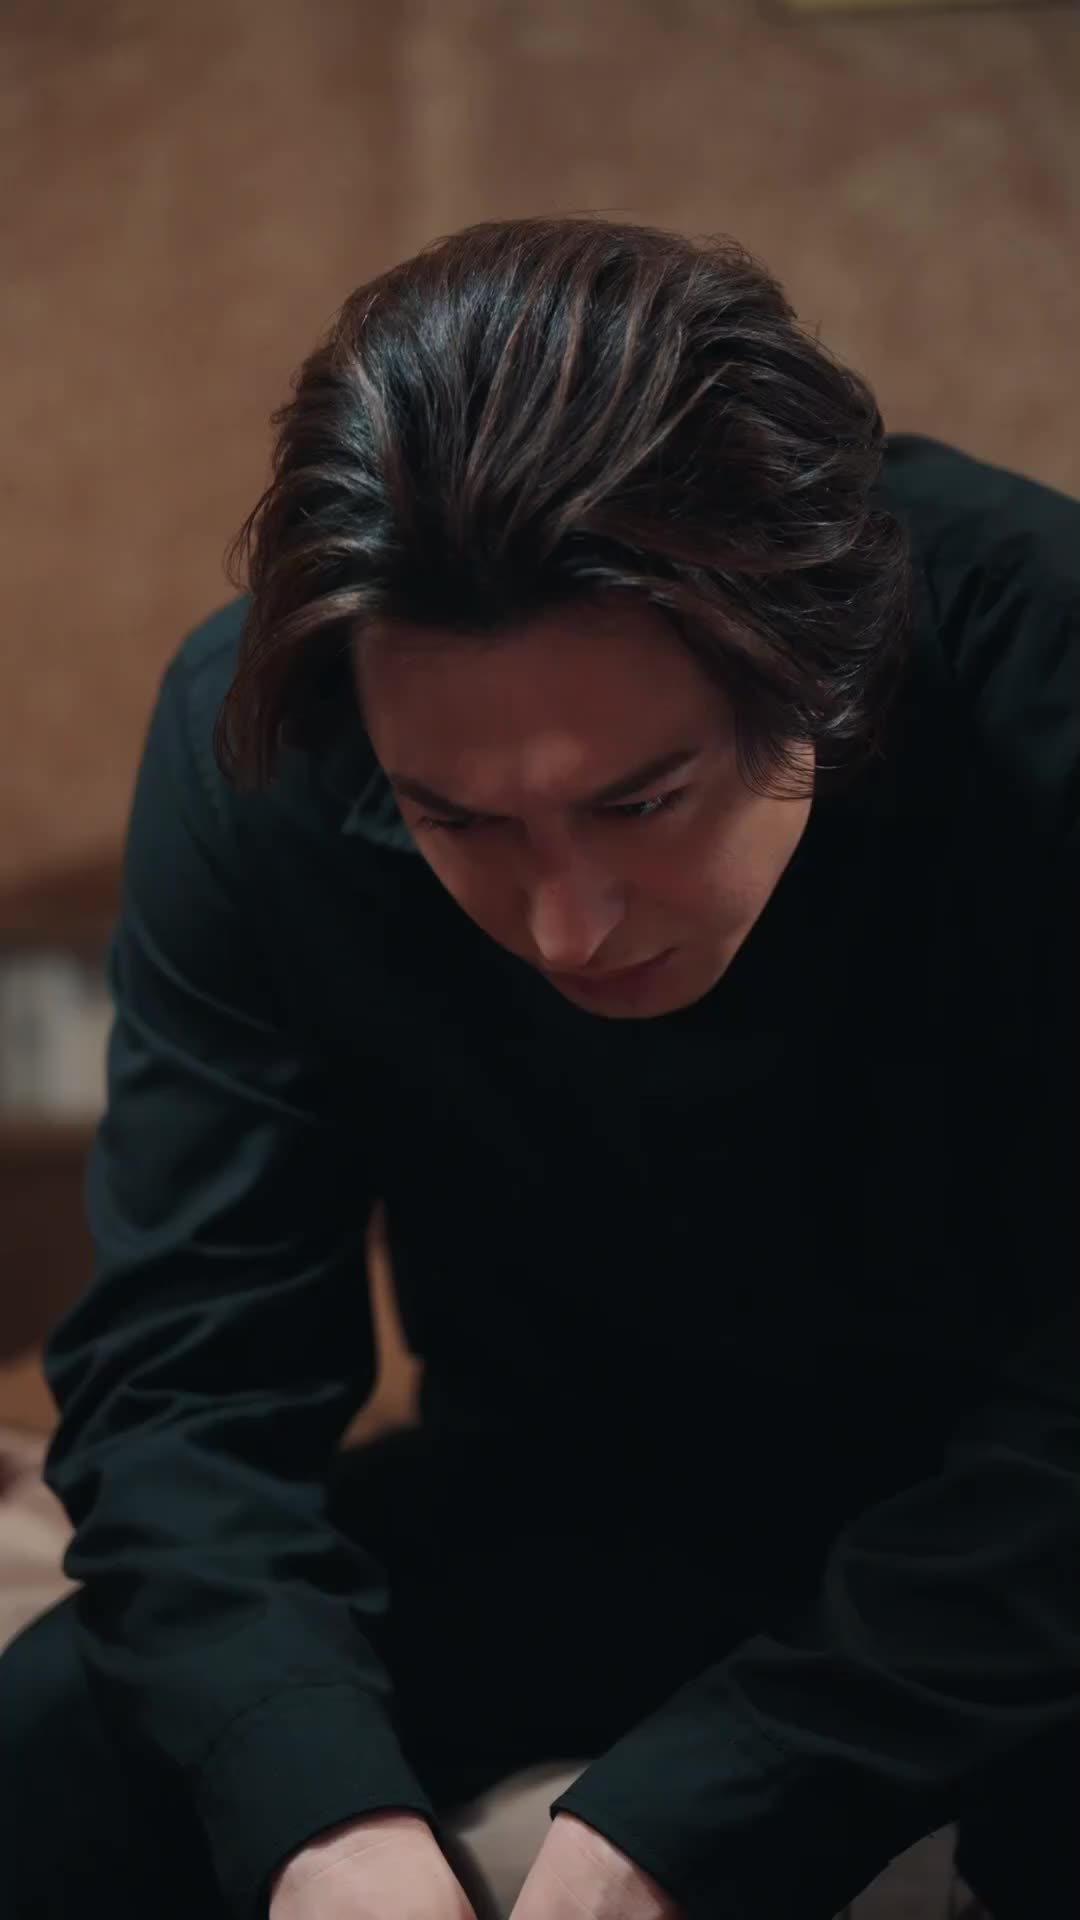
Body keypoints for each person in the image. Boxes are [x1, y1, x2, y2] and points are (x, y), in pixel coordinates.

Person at [0, 215, 1076, 1920]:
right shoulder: (261, 736)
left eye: (641, 802)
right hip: (577, 1492)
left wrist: (686, 1818)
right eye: (459, 822)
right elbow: (187, 1378)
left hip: (1020, 1518)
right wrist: (327, 1833)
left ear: (822, 671)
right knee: (54, 1751)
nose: (569, 928)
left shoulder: (1045, 660)